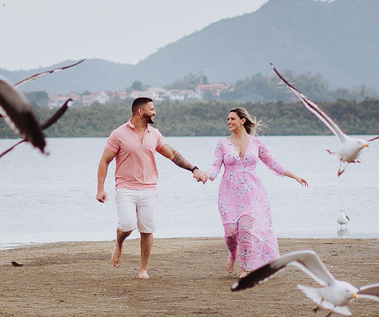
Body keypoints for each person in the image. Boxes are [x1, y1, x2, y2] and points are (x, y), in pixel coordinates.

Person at [97, 97, 209, 278]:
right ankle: (119, 243)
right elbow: (104, 161)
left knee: (147, 229)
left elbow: (173, 155)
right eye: (152, 109)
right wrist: (100, 188)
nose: (155, 112)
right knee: (127, 226)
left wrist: (194, 169)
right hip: (125, 188)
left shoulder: (154, 134)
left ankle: (143, 269)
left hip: (149, 188)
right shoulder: (118, 134)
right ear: (140, 111)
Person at [206, 107, 307, 278]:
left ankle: (244, 269)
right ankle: (232, 254)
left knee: (245, 230)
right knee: (230, 232)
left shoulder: (257, 143)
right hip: (228, 194)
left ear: (242, 120)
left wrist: (294, 176)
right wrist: (206, 175)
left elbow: (273, 163)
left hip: (252, 194)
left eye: (232, 119)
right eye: (228, 119)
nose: (229, 122)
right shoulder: (222, 144)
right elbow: (215, 166)